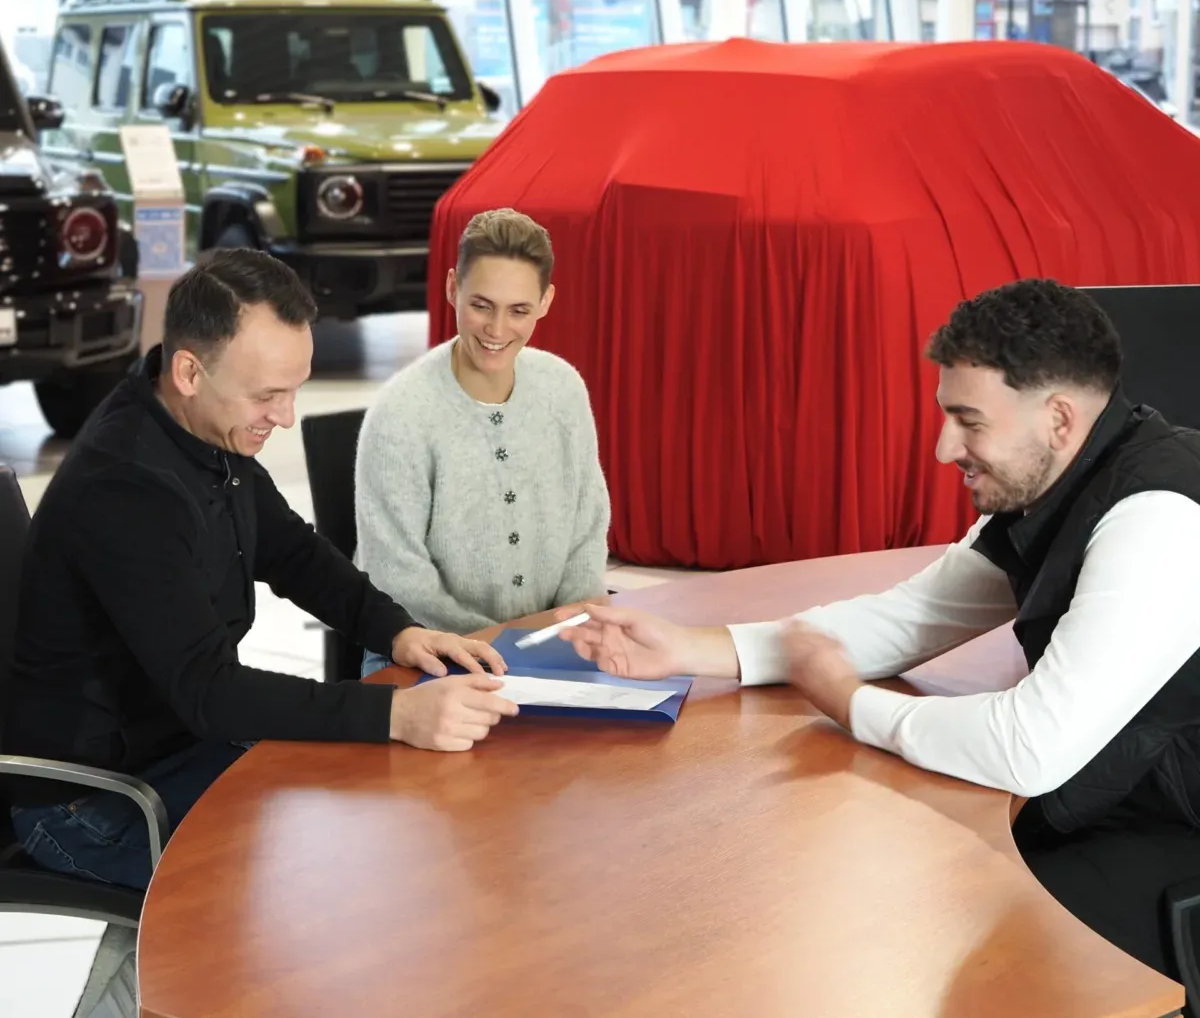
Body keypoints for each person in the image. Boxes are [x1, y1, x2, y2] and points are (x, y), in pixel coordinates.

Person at [560, 278, 1200, 986]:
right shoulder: (1065, 481)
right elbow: (915, 617)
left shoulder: (1160, 520)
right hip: (1121, 795)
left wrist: (851, 704)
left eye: (969, 421)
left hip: (1177, 833)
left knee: (963, 929)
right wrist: (697, 649)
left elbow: (1030, 747)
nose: (942, 448)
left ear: (1057, 419)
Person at [4, 249, 518, 895]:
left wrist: (397, 633)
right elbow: (212, 692)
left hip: (183, 748)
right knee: (323, 889)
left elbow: (292, 553)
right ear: (189, 370)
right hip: (95, 800)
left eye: (294, 388)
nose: (285, 416)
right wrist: (397, 714)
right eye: (268, 394)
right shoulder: (125, 487)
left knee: (380, 821)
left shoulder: (205, 430)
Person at [356, 208, 610, 676]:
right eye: (481, 305)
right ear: (453, 288)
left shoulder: (564, 389)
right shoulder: (400, 414)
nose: (496, 330)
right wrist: (508, 650)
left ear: (546, 301)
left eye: (519, 310)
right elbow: (398, 578)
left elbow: (587, 526)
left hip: (543, 650)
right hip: (429, 654)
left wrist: (572, 623)